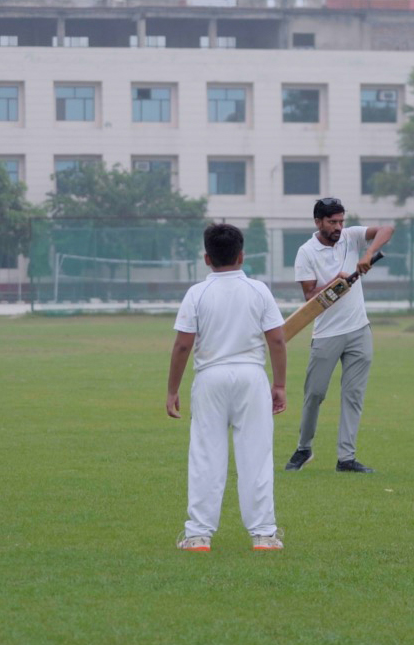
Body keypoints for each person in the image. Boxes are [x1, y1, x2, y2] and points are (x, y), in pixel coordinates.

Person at [168, 222, 288, 551]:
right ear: (242, 256)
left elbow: (182, 346)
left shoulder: (197, 293)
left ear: (207, 259)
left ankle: (198, 535)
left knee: (206, 455)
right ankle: (264, 534)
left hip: (210, 378)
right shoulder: (259, 290)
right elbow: (276, 339)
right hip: (252, 377)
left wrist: (172, 390)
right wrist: (279, 384)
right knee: (257, 455)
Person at [285, 197, 392, 473]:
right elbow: (309, 296)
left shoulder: (351, 237)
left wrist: (368, 254)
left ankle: (346, 458)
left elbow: (387, 229)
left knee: (353, 395)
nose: (338, 227)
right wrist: (335, 282)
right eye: (332, 222)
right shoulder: (306, 252)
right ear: (318, 222)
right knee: (315, 394)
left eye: (341, 221)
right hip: (326, 333)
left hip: (359, 329)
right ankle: (303, 449)